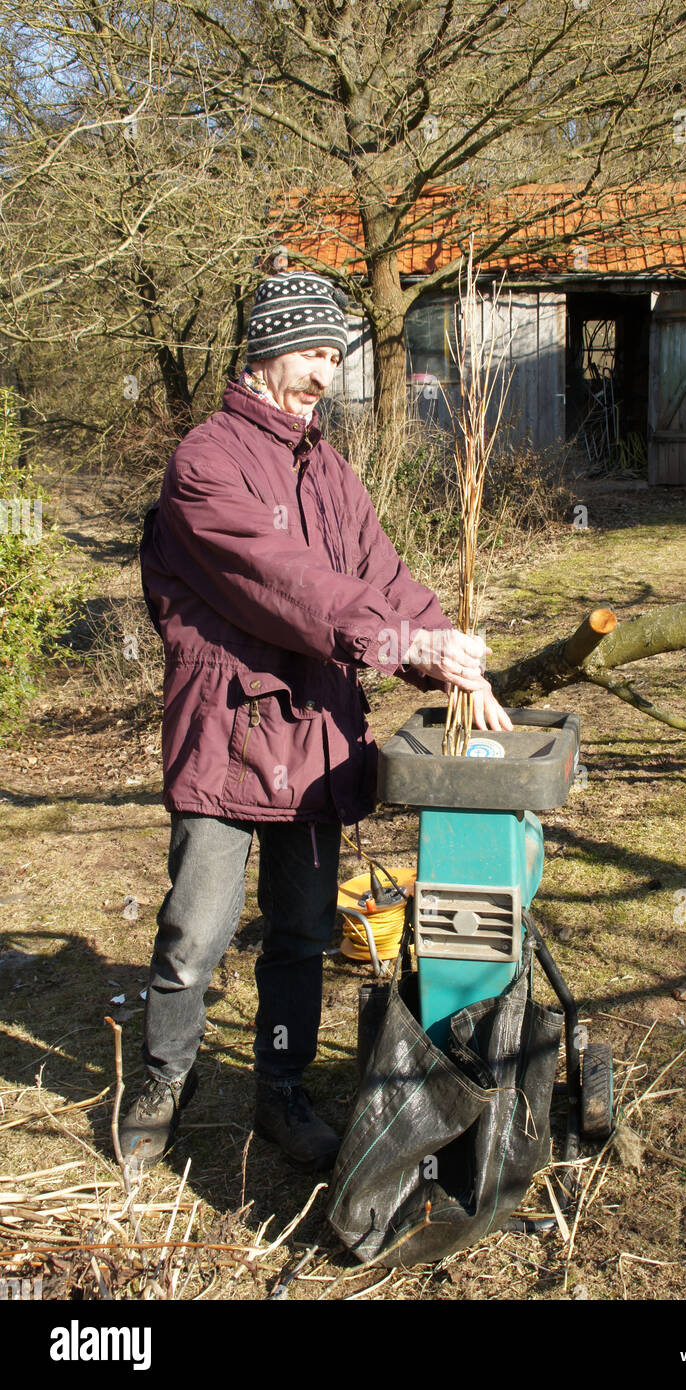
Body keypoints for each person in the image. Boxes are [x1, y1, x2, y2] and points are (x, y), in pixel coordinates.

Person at [121, 270, 513, 1174]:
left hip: (319, 738)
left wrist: (443, 644)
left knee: (301, 934)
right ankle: (161, 1080)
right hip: (227, 736)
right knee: (194, 933)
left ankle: (281, 1091)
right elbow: (286, 585)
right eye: (308, 352)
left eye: (335, 355)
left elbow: (378, 574)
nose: (324, 373)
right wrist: (400, 637)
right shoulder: (204, 464)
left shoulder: (330, 469)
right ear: (260, 356)